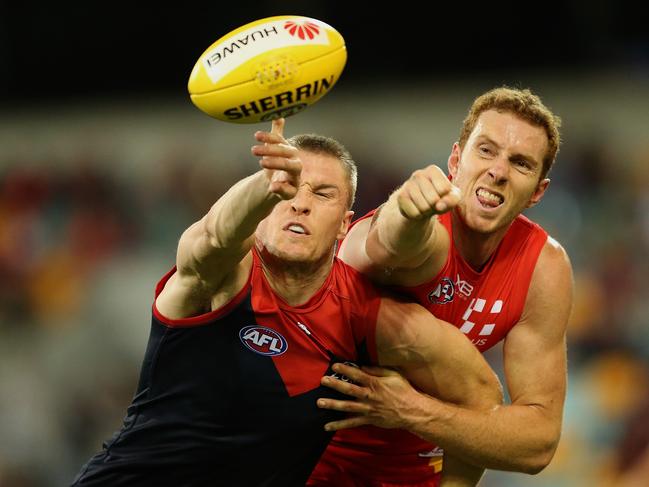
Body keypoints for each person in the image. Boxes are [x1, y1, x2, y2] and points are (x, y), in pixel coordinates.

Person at [71, 119, 503, 487]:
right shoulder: (222, 276)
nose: (299, 202)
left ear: (344, 226)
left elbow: (481, 398)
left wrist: (417, 413)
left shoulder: (366, 315)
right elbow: (214, 237)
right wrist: (265, 184)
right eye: (289, 188)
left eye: (323, 194)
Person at [311, 87, 573, 486]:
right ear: (455, 159)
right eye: (486, 150)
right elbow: (387, 245)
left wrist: (409, 409)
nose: (498, 171)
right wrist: (406, 211)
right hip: (311, 449)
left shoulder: (543, 267)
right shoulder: (426, 230)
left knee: (481, 392)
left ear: (538, 190)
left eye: (520, 163)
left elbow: (537, 443)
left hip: (413, 468)